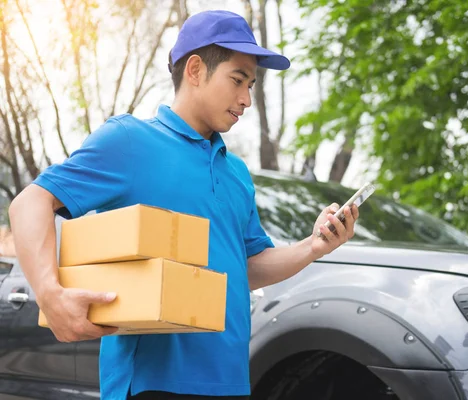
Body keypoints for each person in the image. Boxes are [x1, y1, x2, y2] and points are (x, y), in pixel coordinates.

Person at [8, 9, 359, 400]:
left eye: (252, 86)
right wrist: (49, 293)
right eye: (237, 80)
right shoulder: (129, 141)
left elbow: (245, 268)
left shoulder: (237, 172)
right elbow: (30, 203)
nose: (245, 99)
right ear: (195, 70)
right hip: (152, 385)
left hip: (229, 382)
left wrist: (313, 247)